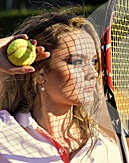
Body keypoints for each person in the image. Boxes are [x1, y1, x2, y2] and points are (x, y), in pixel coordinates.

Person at [0, 11, 122, 162]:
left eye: (93, 61)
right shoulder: (3, 135)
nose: (92, 73)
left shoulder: (105, 150)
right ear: (40, 74)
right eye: (76, 62)